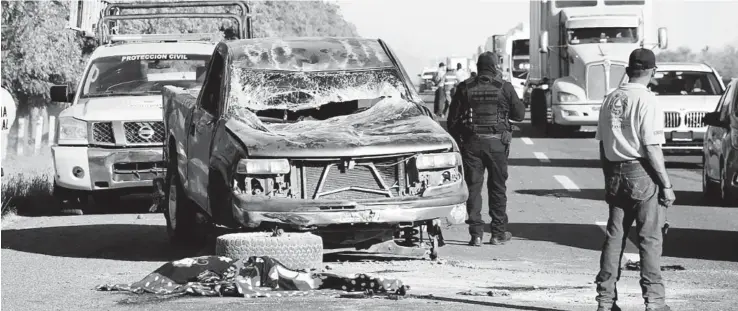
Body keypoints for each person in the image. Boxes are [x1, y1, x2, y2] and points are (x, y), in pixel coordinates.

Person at [594, 48, 674, 311]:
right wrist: (666, 184)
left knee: (614, 237)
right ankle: (654, 302)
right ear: (652, 72)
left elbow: (603, 143)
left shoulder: (610, 98)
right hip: (642, 173)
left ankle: (605, 302)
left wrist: (610, 178)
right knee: (649, 239)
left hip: (615, 171)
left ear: (628, 71)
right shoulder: (648, 100)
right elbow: (651, 147)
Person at [446, 51, 525, 247]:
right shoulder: (504, 87)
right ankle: (497, 233)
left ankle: (476, 234)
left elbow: (452, 121)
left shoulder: (465, 87)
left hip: (472, 145)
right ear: (494, 66)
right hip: (497, 144)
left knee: (473, 188)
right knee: (497, 189)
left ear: (478, 67)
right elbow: (520, 115)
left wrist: (461, 143)